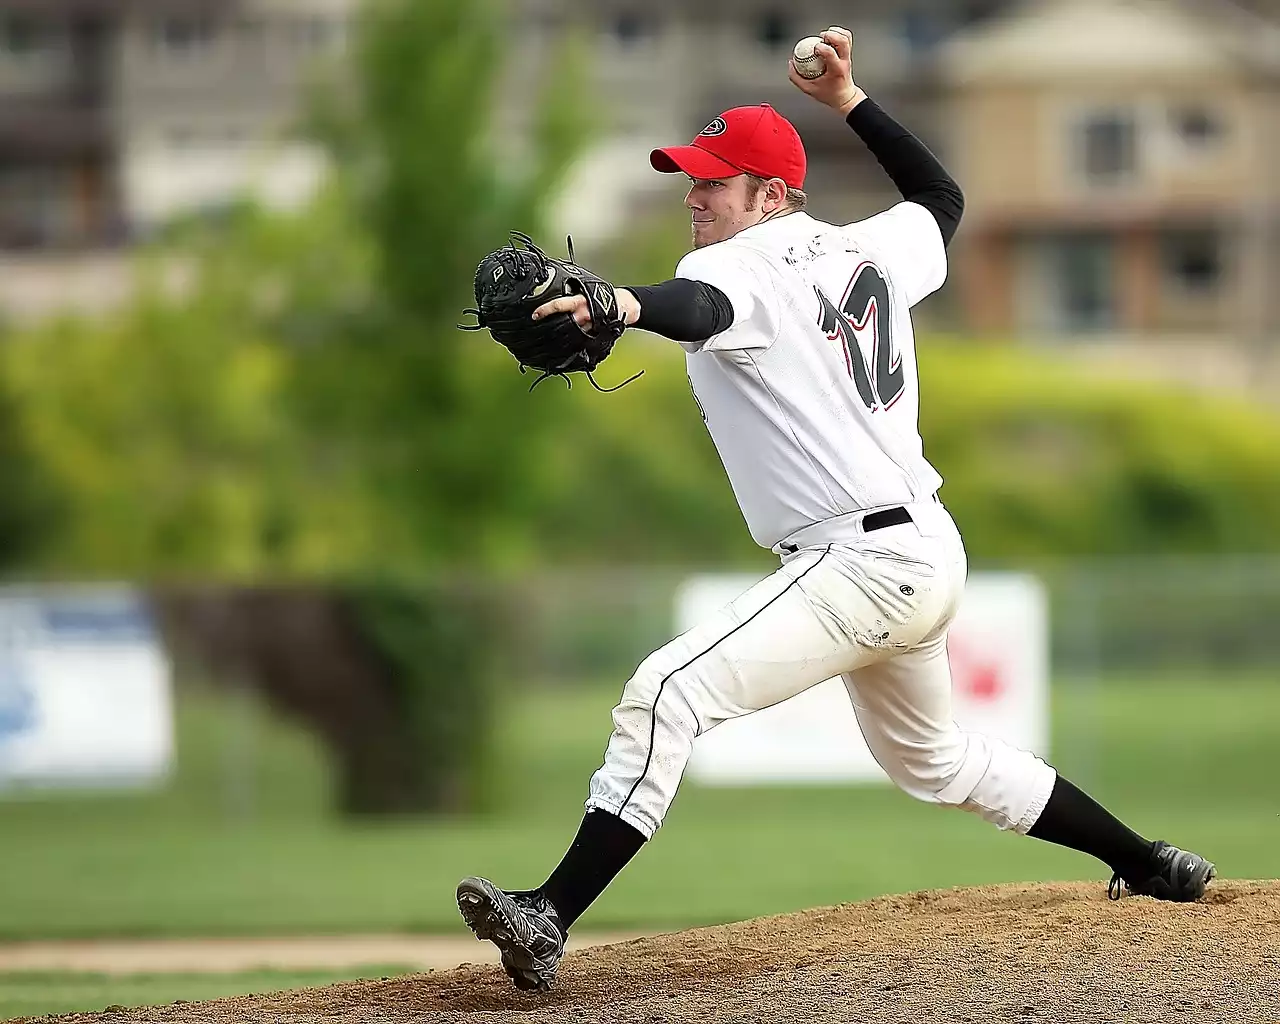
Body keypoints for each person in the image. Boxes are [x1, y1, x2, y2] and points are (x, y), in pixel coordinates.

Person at [456, 26, 1214, 994]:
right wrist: (851, 100)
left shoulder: (745, 262)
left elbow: (699, 311)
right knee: (934, 761)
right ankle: (1149, 862)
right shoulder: (868, 250)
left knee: (664, 692)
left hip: (855, 560)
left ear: (772, 197)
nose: (695, 194)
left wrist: (617, 302)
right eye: (691, 176)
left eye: (714, 181)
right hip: (922, 551)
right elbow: (940, 200)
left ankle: (548, 912)